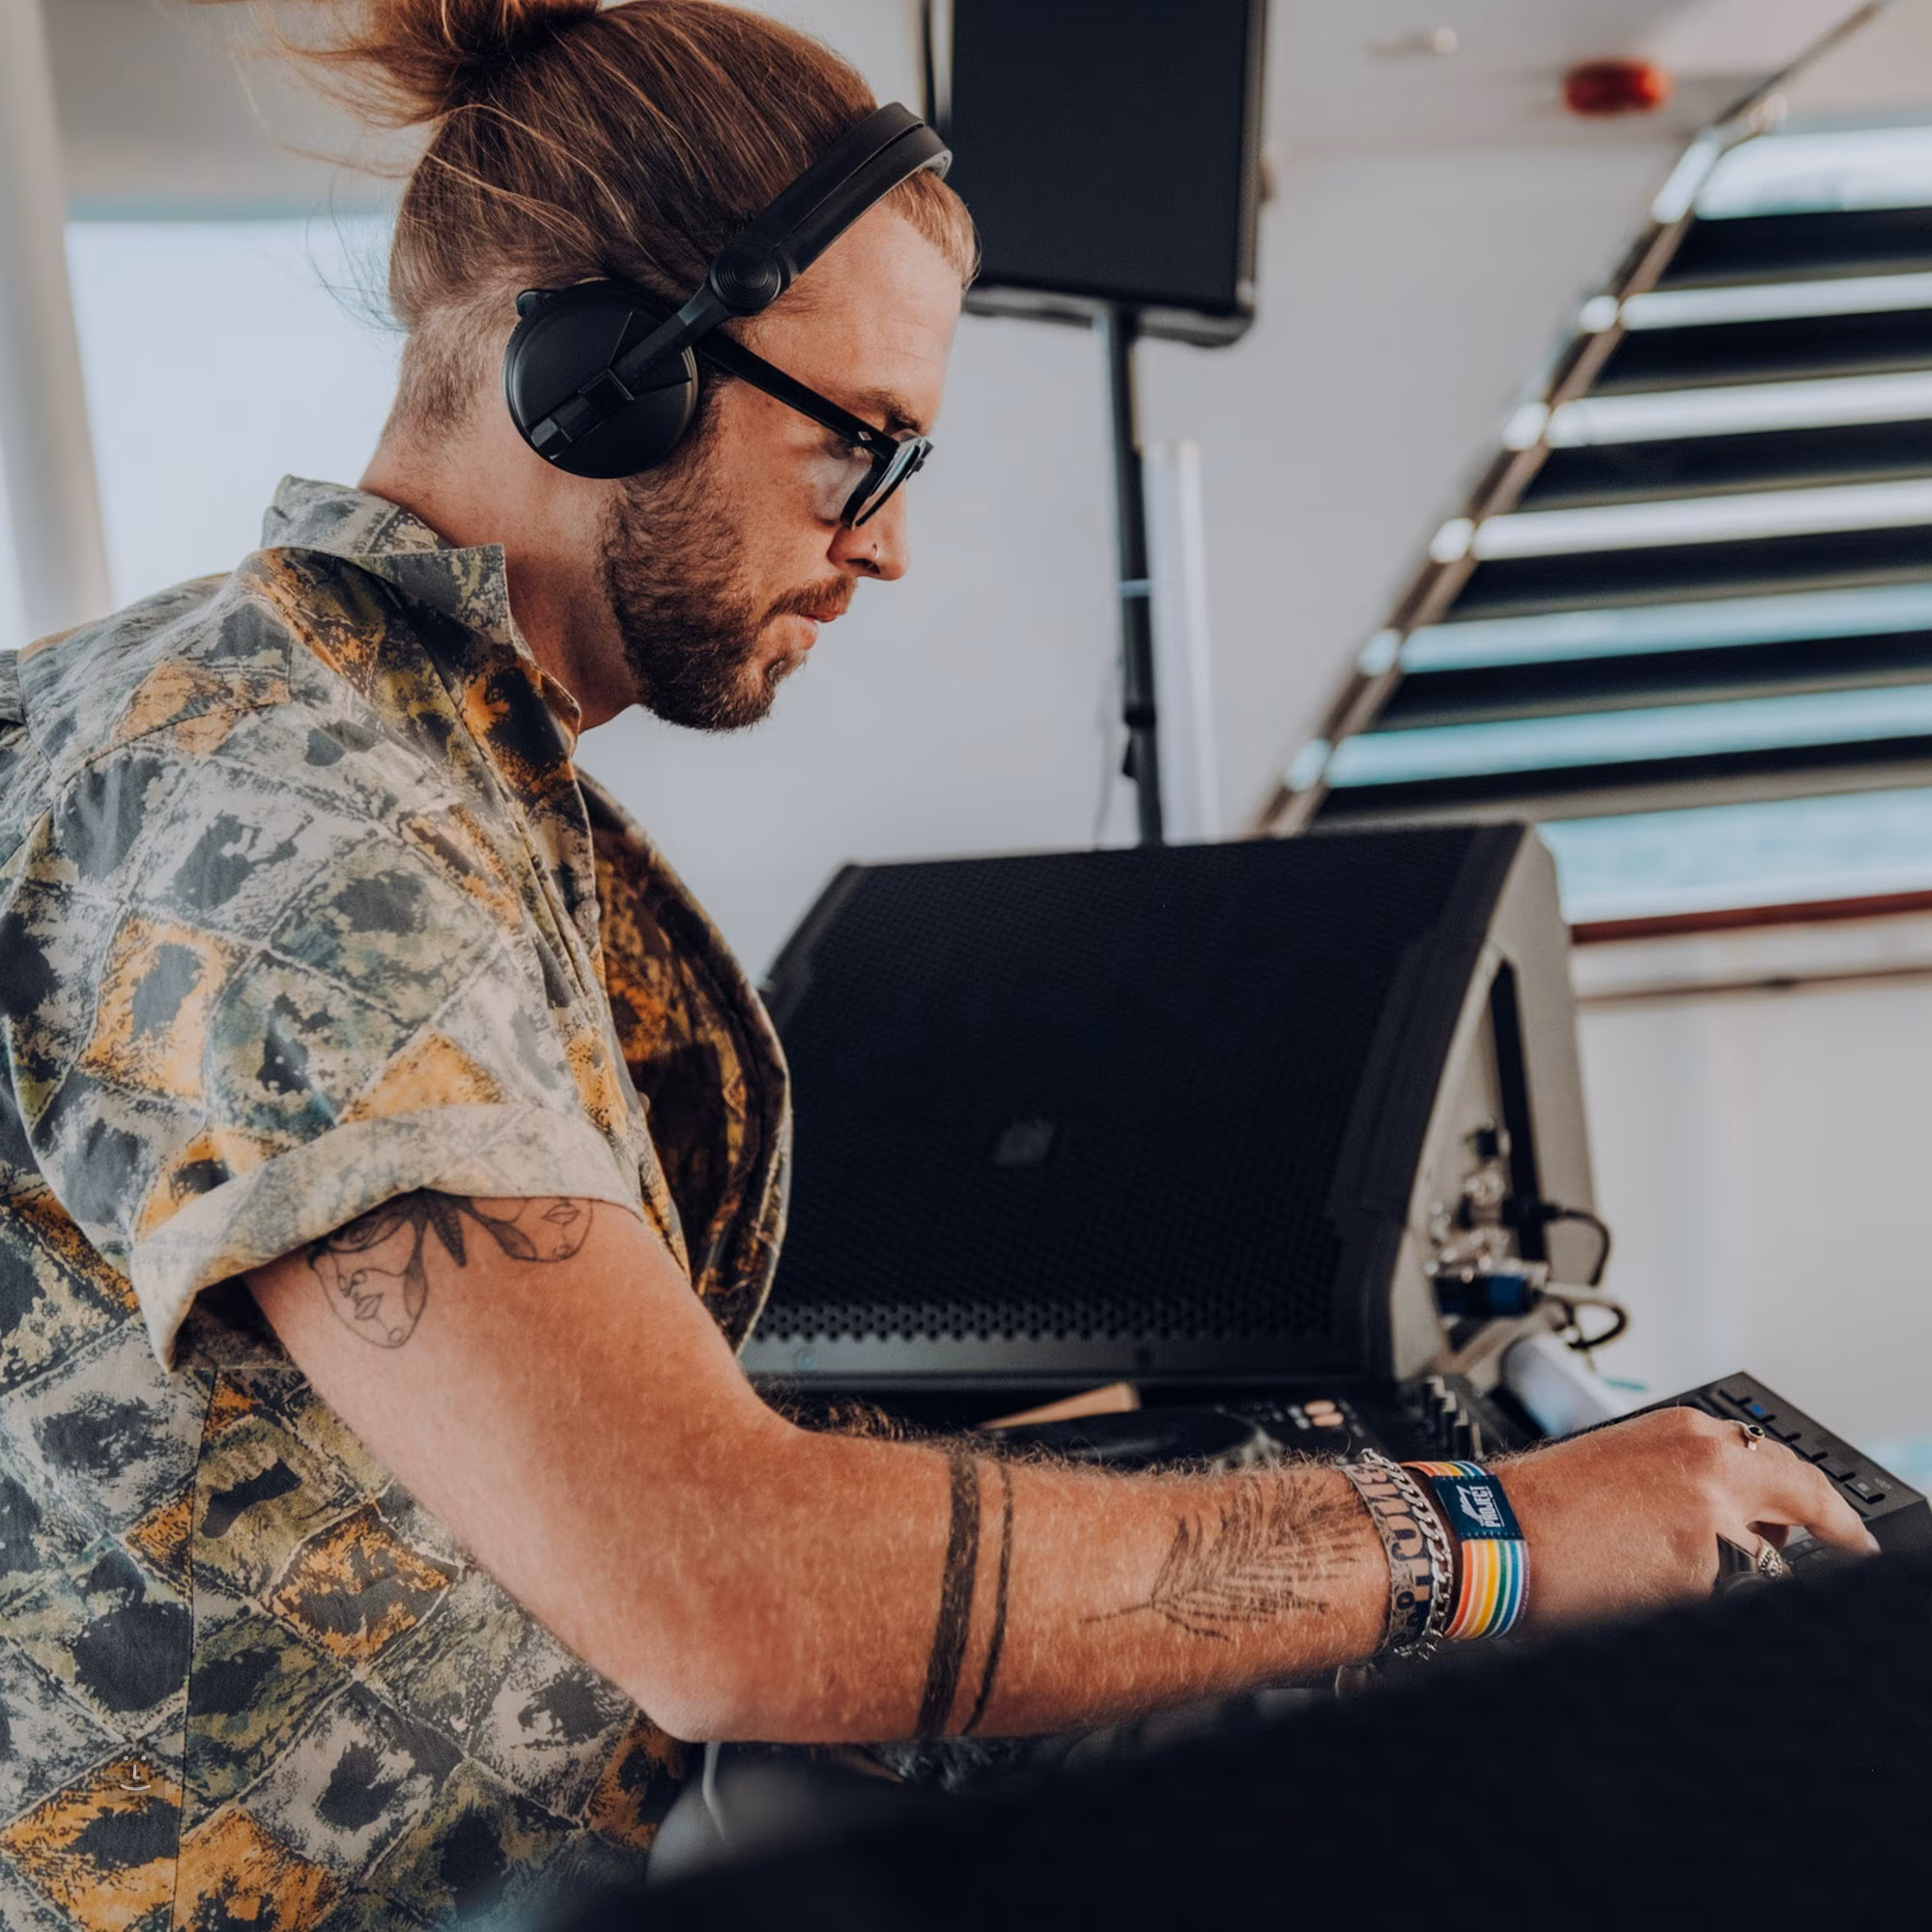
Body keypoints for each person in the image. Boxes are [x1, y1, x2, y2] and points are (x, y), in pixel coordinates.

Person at [0, 3, 1874, 1927]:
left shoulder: (317, 737)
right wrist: (1476, 1537)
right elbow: (717, 1588)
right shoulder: (306, 819)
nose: (885, 550)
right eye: (861, 449)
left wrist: (1141, 1483)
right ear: (605, 375)